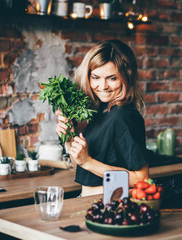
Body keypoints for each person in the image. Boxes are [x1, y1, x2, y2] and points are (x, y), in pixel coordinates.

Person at [56, 39, 150, 197]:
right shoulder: (103, 109)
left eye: (112, 78)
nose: (103, 86)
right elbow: (81, 164)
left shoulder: (123, 116)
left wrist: (88, 161)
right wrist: (70, 138)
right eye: (96, 77)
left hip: (110, 202)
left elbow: (142, 178)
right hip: (90, 199)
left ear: (126, 76)